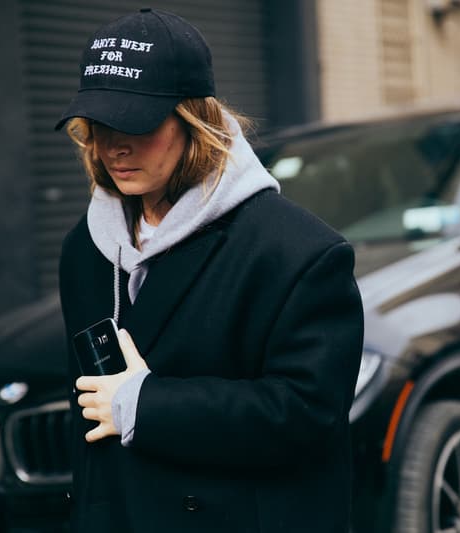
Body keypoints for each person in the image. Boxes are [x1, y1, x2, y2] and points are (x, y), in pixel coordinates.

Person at [55, 8, 364, 533]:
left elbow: (308, 413)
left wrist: (144, 405)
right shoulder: (84, 248)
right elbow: (89, 424)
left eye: (136, 122)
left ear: (195, 121)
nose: (114, 146)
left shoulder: (300, 253)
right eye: (99, 125)